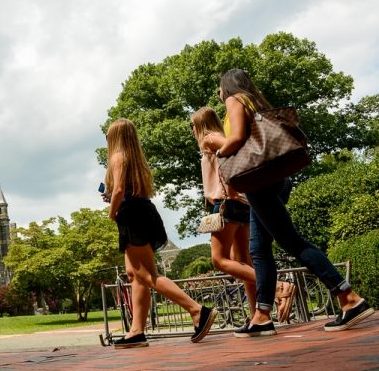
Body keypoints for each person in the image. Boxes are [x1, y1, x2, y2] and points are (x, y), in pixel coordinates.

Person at [208, 68, 375, 337]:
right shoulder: (254, 100)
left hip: (258, 183)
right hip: (270, 180)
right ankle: (262, 315)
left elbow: (237, 138)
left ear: (226, 86)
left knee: (291, 241)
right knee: (259, 249)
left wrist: (218, 145)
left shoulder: (234, 99)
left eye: (219, 87)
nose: (218, 92)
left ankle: (348, 297)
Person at [104, 118, 217, 348]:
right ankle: (136, 331)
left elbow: (117, 190)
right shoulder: (134, 159)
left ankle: (197, 310)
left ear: (115, 137)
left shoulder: (117, 157)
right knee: (134, 275)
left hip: (131, 216)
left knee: (146, 275)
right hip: (144, 211)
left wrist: (112, 211)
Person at [191, 107, 257, 319]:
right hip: (241, 202)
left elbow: (232, 151)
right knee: (243, 262)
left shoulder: (210, 139)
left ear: (200, 125)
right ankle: (257, 314)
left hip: (227, 203)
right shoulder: (218, 138)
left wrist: (227, 187)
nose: (192, 130)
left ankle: (279, 288)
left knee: (219, 260)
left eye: (192, 126)